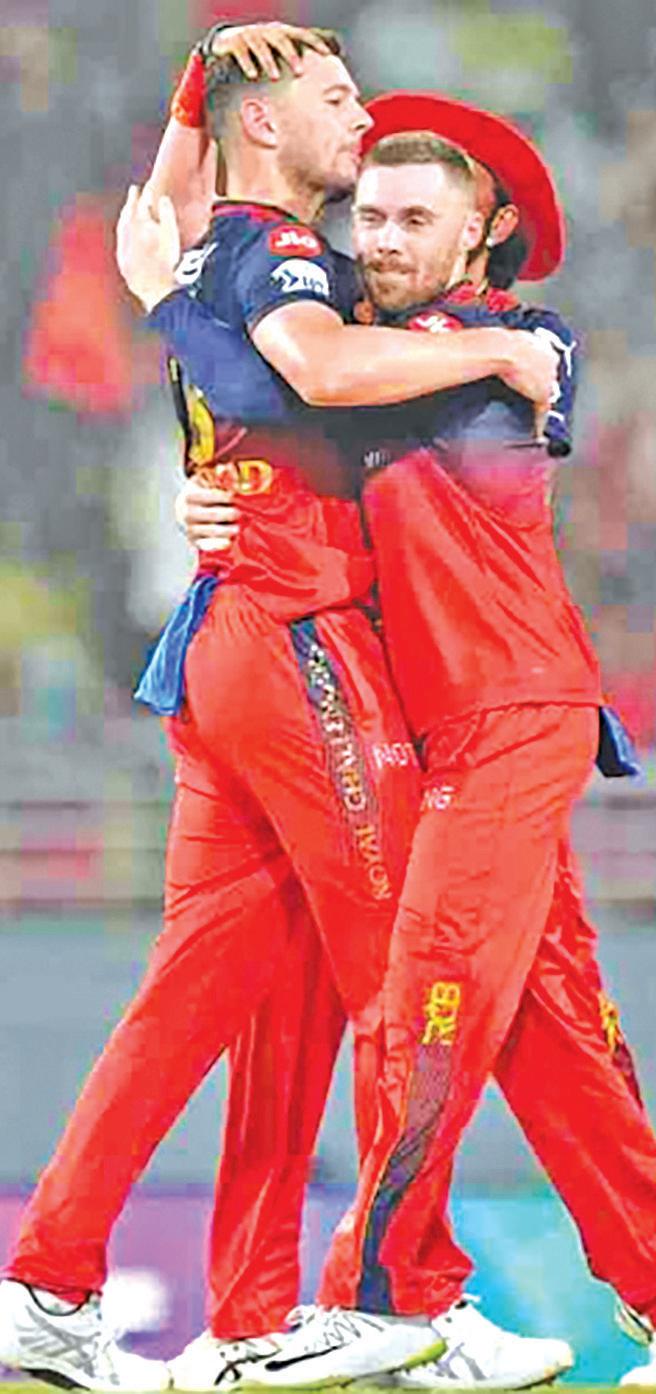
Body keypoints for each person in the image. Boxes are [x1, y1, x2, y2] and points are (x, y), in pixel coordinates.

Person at [137, 92, 656, 1391]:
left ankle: (381, 1290)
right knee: (546, 1028)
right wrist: (217, 488)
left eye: (413, 218)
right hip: (459, 729)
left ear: (482, 233)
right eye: (368, 215)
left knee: (421, 994)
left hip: (509, 716)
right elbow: (270, 394)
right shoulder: (392, 349)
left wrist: (177, 310)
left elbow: (287, 370)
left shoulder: (512, 343)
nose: (378, 238)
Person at [0, 25, 564, 1391]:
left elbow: (159, 226)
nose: (361, 119)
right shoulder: (285, 254)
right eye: (335, 97)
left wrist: (193, 91)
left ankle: (101, 1291)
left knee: (226, 992)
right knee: (401, 972)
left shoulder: (215, 252)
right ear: (266, 128)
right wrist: (501, 355)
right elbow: (319, 368)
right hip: (298, 628)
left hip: (232, 635)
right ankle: (410, 1297)